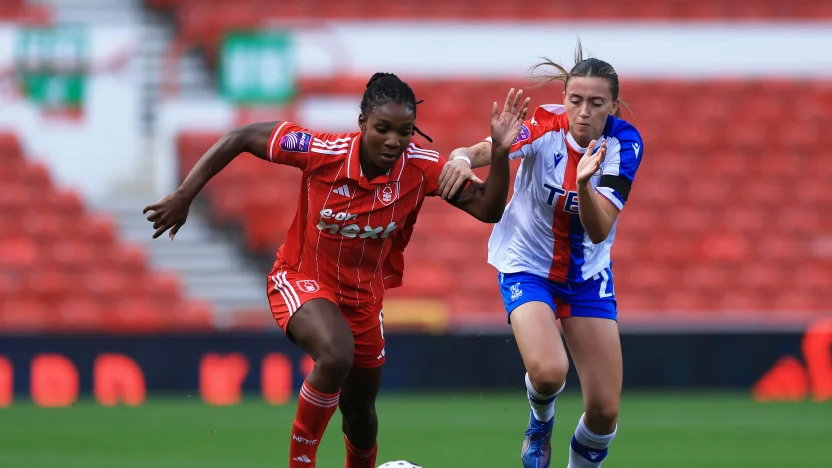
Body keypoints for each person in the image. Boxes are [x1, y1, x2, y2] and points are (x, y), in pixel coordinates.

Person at [143, 72, 530, 468]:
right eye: (383, 129)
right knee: (335, 353)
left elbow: (489, 209)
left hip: (363, 302)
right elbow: (242, 136)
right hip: (299, 279)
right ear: (362, 124)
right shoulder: (319, 151)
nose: (394, 141)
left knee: (361, 416)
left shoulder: (421, 168)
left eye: (405, 131)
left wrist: (500, 153)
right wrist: (185, 194)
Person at [438, 43, 644, 468]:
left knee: (604, 413)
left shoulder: (624, 144)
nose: (583, 111)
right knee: (550, 371)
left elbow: (599, 226)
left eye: (595, 103)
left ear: (613, 106)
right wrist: (461, 156)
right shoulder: (546, 124)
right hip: (526, 264)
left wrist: (585, 186)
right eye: (576, 100)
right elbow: (489, 148)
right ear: (565, 98)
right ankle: (540, 421)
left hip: (587, 276)